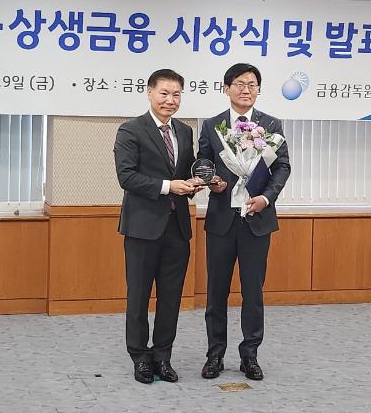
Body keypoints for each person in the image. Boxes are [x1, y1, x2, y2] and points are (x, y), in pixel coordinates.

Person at [197, 63, 291, 381]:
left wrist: (266, 197)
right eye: (239, 83)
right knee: (216, 292)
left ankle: (250, 355)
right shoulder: (212, 125)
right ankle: (214, 355)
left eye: (252, 84)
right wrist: (211, 182)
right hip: (222, 220)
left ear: (258, 90)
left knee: (253, 292)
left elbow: (282, 167)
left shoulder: (271, 124)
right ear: (226, 88)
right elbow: (204, 161)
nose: (246, 89)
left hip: (257, 219)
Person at [114, 68, 198, 384]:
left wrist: (198, 182)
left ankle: (163, 356)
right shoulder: (131, 130)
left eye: (176, 94)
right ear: (150, 92)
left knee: (171, 297)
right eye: (164, 93)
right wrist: (168, 186)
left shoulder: (185, 132)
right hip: (142, 228)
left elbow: (186, 172)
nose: (170, 100)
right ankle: (140, 357)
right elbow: (127, 177)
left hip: (177, 228)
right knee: (138, 297)